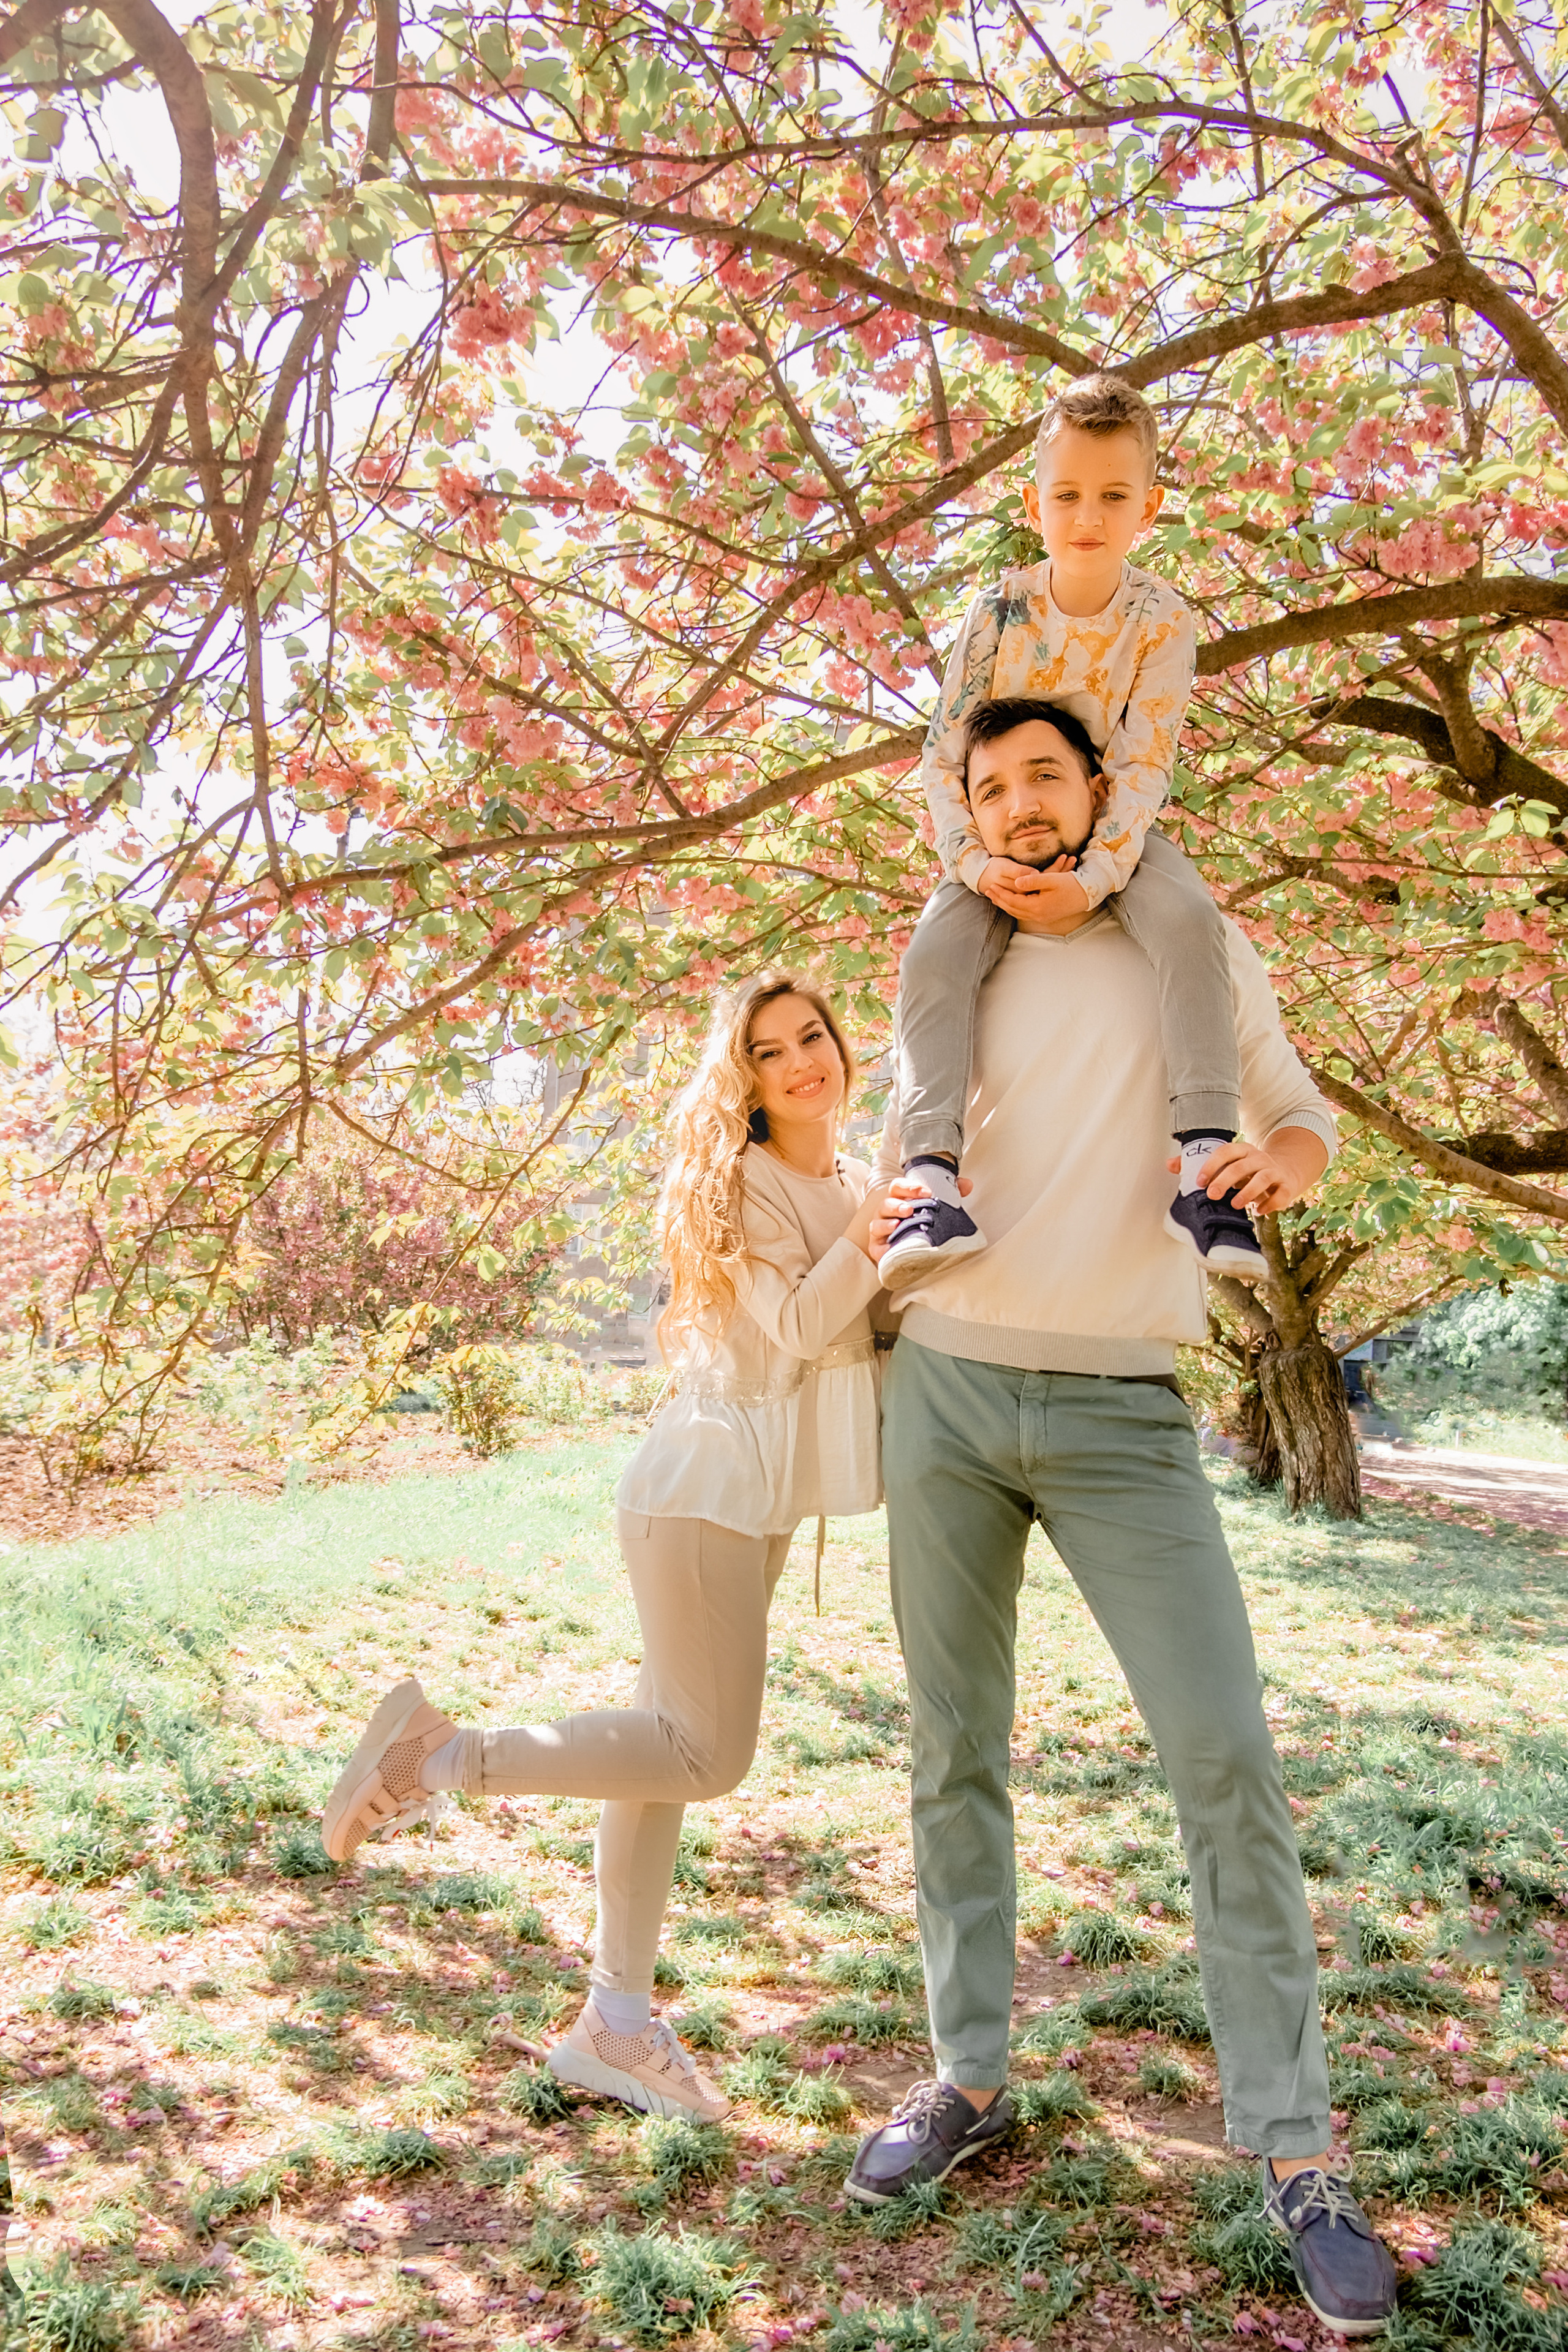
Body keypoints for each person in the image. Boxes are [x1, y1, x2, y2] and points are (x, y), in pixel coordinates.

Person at [848, 701, 1399, 2340]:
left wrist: (1284, 1159)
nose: (1021, 803)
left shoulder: (1190, 939)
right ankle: (967, 2077)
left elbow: (1299, 1115)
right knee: (953, 1746)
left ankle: (1294, 2150)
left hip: (1122, 1412)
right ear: (967, 811)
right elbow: (907, 1156)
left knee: (1224, 1755)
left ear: (1102, 790)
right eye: (991, 784)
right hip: (946, 1390)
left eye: (1048, 775)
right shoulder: (952, 956)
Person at [321, 973, 892, 2124]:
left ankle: (614, 2024)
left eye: (813, 1037)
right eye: (770, 1051)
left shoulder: (852, 1180)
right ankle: (441, 1757)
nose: (801, 1062)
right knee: (702, 1756)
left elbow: (869, 1325)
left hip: (752, 1500)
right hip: (702, 1494)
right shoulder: (745, 1182)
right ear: (745, 1080)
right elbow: (797, 1323)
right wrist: (878, 1230)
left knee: (656, 1760)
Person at [881, 371, 1267, 1291]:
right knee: (935, 956)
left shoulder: (1161, 621)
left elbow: (1142, 765)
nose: (1088, 517)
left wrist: (1092, 880)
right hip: (998, 838)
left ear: (1149, 508)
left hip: (1113, 831)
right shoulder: (998, 612)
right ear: (1034, 504)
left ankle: (1205, 1162)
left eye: (1113, 497)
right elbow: (944, 755)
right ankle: (931, 1176)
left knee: (1190, 923)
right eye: (1067, 496)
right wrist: (974, 867)